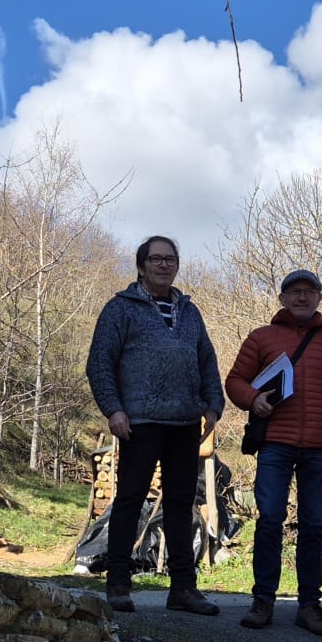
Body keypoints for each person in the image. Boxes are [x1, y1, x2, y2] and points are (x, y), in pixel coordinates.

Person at [86, 236, 224, 617]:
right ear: (142, 265)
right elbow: (100, 364)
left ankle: (183, 589)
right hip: (139, 422)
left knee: (182, 504)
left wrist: (213, 405)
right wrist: (114, 410)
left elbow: (207, 360)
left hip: (184, 422)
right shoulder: (120, 309)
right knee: (129, 500)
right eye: (156, 259)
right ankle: (118, 584)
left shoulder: (189, 312)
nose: (164, 265)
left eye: (170, 259)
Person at [225, 270, 322, 637]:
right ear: (282, 298)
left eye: (309, 292)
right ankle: (263, 601)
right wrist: (253, 399)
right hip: (275, 443)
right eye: (295, 292)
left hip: (321, 447)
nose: (302, 298)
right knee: (269, 520)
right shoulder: (261, 337)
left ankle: (310, 606)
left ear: (319, 297)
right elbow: (235, 381)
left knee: (313, 526)